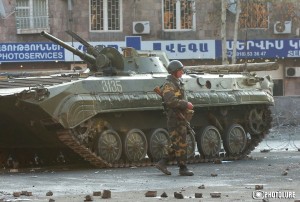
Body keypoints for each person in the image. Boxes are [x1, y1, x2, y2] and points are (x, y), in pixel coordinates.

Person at [155, 60, 194, 176]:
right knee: (181, 143)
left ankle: (162, 162)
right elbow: (170, 101)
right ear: (174, 72)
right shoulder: (169, 85)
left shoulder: (177, 82)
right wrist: (186, 104)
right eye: (180, 70)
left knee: (177, 142)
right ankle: (183, 168)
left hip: (180, 117)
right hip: (174, 118)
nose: (182, 72)